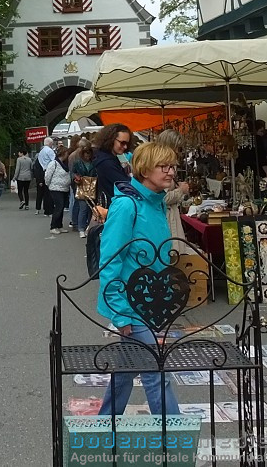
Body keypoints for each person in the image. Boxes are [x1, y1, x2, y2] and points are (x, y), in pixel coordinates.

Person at [96, 141, 182, 417]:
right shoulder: (127, 206)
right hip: (133, 305)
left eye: (173, 166)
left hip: (151, 303)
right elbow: (110, 261)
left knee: (126, 370)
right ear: (145, 170)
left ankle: (103, 426)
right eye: (164, 166)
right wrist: (121, 314)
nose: (171, 172)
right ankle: (175, 440)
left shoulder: (155, 204)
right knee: (156, 373)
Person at [92, 124, 133, 209]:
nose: (125, 147)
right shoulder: (107, 162)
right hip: (112, 207)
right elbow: (125, 186)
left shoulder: (106, 158)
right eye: (122, 143)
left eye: (127, 143)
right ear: (111, 140)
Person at [69, 142, 96, 237]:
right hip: (82, 187)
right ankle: (81, 228)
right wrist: (75, 177)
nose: (87, 156)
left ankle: (88, 227)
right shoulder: (77, 163)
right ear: (83, 154)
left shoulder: (94, 162)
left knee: (91, 209)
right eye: (86, 153)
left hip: (92, 187)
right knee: (83, 208)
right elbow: (72, 173)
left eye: (89, 154)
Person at [45, 147, 72, 234]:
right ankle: (53, 226)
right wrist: (49, 184)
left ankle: (59, 226)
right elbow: (48, 175)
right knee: (59, 207)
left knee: (61, 207)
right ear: (63, 154)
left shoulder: (65, 164)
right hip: (56, 188)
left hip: (64, 188)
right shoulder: (54, 163)